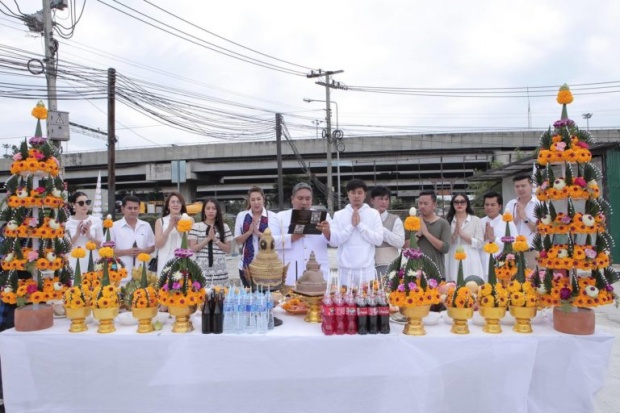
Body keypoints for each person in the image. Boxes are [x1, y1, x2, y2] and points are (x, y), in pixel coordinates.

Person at [271, 182, 332, 285]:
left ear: (312, 200)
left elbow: (336, 241)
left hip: (317, 274)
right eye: (300, 198)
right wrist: (292, 237)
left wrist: (327, 232)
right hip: (290, 273)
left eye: (308, 199)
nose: (304, 202)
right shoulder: (279, 217)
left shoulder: (324, 217)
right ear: (292, 199)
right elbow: (270, 243)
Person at [329, 179, 383, 286]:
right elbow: (334, 242)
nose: (356, 196)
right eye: (353, 193)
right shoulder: (339, 215)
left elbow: (378, 240)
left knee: (368, 301)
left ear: (365, 195)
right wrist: (351, 226)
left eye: (359, 193)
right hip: (345, 271)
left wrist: (360, 225)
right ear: (348, 195)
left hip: (367, 270)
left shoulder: (373, 214)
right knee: (345, 302)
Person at [234, 186, 278, 288]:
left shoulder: (272, 217)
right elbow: (237, 241)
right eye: (253, 200)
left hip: (267, 268)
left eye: (259, 199)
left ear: (263, 199)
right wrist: (249, 232)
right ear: (249, 201)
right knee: (249, 298)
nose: (256, 202)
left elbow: (275, 241)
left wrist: (258, 233)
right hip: (246, 268)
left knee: (267, 299)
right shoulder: (242, 216)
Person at [111, 195, 155, 283]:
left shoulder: (146, 226)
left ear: (139, 209)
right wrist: (126, 252)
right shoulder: (113, 226)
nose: (133, 211)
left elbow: (152, 247)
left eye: (136, 208)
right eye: (129, 208)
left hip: (142, 275)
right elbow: (107, 251)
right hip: (120, 275)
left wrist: (142, 251)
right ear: (123, 209)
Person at [188, 198, 232, 284]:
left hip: (220, 270)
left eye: (213, 208)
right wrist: (208, 238)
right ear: (204, 210)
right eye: (208, 208)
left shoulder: (224, 227)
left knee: (220, 295)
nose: (211, 211)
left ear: (217, 211)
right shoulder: (196, 226)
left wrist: (215, 239)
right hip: (201, 270)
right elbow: (193, 248)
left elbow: (228, 249)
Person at [444, 193, 484, 282]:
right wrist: (454, 235)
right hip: (453, 255)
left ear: (467, 204)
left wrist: (463, 235)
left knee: (472, 283)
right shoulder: (448, 221)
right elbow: (446, 244)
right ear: (452, 204)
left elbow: (480, 243)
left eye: (462, 202)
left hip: (471, 255)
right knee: (454, 281)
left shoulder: (475, 220)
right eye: (456, 202)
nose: (459, 204)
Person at [413, 190, 451, 278]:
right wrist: (418, 235)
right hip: (415, 273)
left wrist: (426, 233)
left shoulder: (443, 223)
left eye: (426, 204)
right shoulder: (412, 222)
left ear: (434, 205)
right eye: (420, 203)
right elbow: (406, 247)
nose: (422, 206)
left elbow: (445, 248)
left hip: (436, 273)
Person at [504, 174, 540, 269]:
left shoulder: (540, 204)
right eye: (517, 186)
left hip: (532, 251)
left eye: (523, 186)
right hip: (513, 253)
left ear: (531, 186)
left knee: (533, 282)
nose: (520, 189)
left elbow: (541, 230)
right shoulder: (511, 205)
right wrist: (517, 218)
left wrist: (525, 218)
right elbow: (505, 229)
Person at [154, 192, 193, 276]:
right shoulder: (160, 221)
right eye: (173, 202)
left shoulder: (189, 220)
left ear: (182, 205)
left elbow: (191, 243)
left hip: (183, 260)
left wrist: (178, 228)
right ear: (168, 205)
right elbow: (158, 245)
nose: (176, 204)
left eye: (178, 202)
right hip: (165, 260)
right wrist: (169, 228)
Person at [369, 185, 404, 277]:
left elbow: (400, 242)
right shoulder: (365, 219)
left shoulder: (395, 220)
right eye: (380, 199)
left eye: (386, 199)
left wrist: (379, 226)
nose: (384, 202)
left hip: (389, 266)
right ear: (372, 200)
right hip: (368, 266)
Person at [480, 191, 518, 276]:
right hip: (482, 266)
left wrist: (494, 239)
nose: (489, 207)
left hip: (502, 268)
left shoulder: (507, 222)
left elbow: (514, 246)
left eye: (493, 205)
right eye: (487, 205)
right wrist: (483, 238)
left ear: (500, 206)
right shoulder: (479, 222)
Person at [65, 191, 104, 273]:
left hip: (93, 259)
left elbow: (102, 245)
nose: (85, 205)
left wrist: (89, 236)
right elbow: (65, 247)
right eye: (81, 203)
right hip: (73, 260)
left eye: (87, 202)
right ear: (73, 205)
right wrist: (77, 234)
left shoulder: (96, 221)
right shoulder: (67, 223)